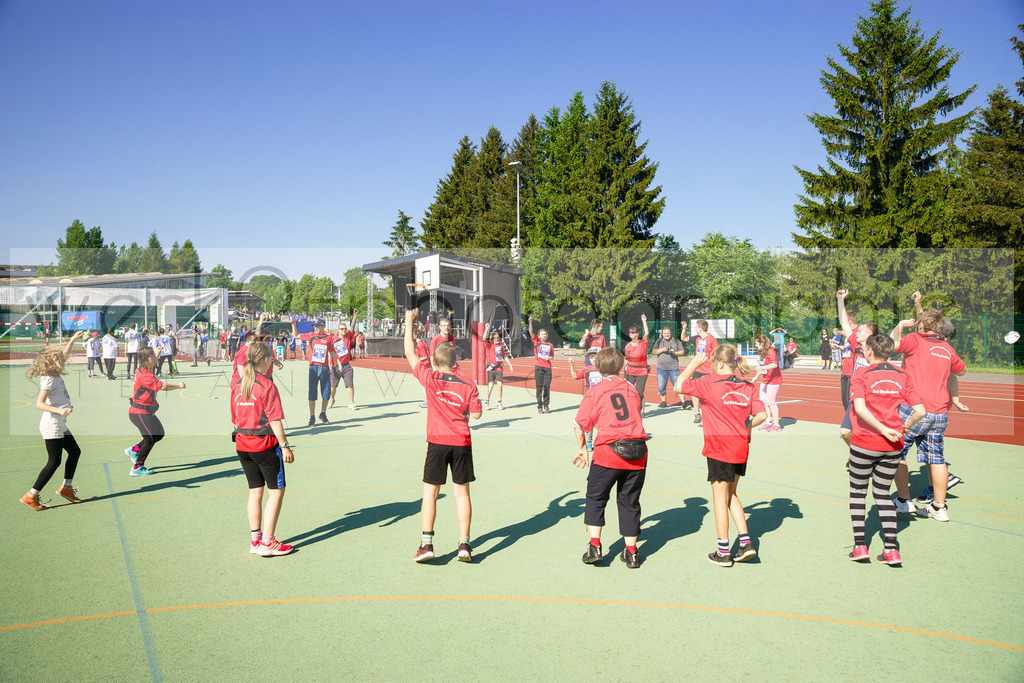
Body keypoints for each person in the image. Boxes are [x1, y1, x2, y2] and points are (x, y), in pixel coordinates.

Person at [676, 345, 767, 567]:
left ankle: (723, 550)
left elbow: (679, 386)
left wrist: (694, 364)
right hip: (740, 447)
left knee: (719, 498)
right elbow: (762, 415)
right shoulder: (747, 386)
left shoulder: (709, 382)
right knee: (731, 494)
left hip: (719, 448)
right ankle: (746, 543)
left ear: (720, 364)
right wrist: (745, 427)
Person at [403, 309, 482, 563]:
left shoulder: (431, 378)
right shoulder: (468, 384)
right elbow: (477, 415)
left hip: (437, 442)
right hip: (461, 441)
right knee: (462, 494)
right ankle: (464, 545)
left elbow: (410, 353)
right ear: (456, 362)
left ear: (435, 362)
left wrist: (408, 322)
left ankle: (426, 544)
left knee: (430, 493)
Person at [846, 334, 926, 565]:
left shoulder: (862, 374)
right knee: (882, 493)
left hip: (865, 441)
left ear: (869, 351)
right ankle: (891, 549)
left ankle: (860, 546)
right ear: (890, 352)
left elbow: (860, 409)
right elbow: (920, 411)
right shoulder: (903, 375)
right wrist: (901, 427)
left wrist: (881, 429)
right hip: (893, 444)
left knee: (857, 494)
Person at [572, 347, 648, 569]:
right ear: (622, 366)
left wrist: (582, 449)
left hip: (609, 451)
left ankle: (595, 546)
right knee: (630, 501)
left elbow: (579, 425)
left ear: (597, 367)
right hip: (637, 451)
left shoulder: (595, 391)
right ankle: (632, 552)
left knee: (596, 497)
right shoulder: (632, 389)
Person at [890, 306, 967, 521]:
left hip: (913, 408)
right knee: (937, 458)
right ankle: (939, 507)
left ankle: (904, 501)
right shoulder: (947, 348)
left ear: (921, 325)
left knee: (898, 453)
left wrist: (899, 326)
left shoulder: (914, 339)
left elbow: (890, 345)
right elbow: (961, 370)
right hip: (940, 412)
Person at [231, 341, 295, 557]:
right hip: (264, 445)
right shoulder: (267, 386)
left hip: (242, 445)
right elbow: (275, 419)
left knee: (254, 491)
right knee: (276, 492)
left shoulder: (238, 386)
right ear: (266, 360)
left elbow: (234, 418)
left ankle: (256, 540)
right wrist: (285, 445)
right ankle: (268, 541)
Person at [20, 331, 86, 510]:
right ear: (53, 362)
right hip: (52, 423)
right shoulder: (49, 379)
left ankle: (66, 488)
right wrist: (60, 409)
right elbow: (39, 404)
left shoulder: (54, 372)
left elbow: (65, 354)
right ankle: (31, 495)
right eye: (58, 358)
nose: (63, 359)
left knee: (75, 451)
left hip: (60, 424)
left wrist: (72, 340)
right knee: (54, 461)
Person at [125, 348, 185, 476]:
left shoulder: (144, 368)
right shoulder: (145, 375)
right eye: (151, 356)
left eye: (153, 355)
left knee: (159, 434)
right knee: (150, 439)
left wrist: (156, 354)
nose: (154, 358)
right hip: (139, 412)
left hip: (147, 411)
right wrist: (178, 385)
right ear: (144, 359)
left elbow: (151, 362)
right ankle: (137, 468)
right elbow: (162, 386)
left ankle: (134, 450)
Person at [291, 316, 340, 427]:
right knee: (312, 393)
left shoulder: (328, 338)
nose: (316, 328)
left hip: (325, 368)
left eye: (318, 326)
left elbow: (332, 352)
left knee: (326, 393)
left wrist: (339, 363)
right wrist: (293, 323)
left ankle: (323, 413)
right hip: (313, 368)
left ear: (323, 326)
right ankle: (312, 416)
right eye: (315, 326)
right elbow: (296, 335)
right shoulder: (311, 336)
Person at [837, 290, 878, 411]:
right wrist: (840, 300)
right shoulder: (856, 344)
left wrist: (900, 326)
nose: (857, 332)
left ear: (870, 333)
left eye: (860, 331)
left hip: (869, 385)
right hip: (855, 381)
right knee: (848, 407)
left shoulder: (877, 348)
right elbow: (844, 322)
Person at [752, 333, 783, 431]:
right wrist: (756, 376)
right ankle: (769, 422)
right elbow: (762, 368)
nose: (756, 345)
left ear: (762, 343)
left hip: (774, 381)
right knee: (763, 401)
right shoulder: (762, 353)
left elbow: (774, 364)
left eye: (757, 343)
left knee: (771, 402)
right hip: (765, 380)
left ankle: (777, 424)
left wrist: (762, 367)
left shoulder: (771, 351)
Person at [691, 320, 718, 426]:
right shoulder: (698, 340)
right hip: (698, 369)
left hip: (708, 371)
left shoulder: (712, 339)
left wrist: (714, 368)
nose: (695, 329)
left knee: (706, 395)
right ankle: (697, 413)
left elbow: (716, 354)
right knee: (694, 392)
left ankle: (708, 417)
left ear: (700, 328)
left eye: (696, 327)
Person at [622, 315, 651, 416]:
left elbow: (647, 334)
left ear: (637, 334)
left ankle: (641, 410)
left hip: (641, 371)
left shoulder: (643, 343)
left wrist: (644, 321)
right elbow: (626, 359)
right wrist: (625, 371)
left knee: (640, 392)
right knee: (628, 391)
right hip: (630, 371)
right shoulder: (627, 345)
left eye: (633, 332)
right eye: (630, 332)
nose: (630, 334)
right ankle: (631, 409)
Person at [652, 325, 686, 409]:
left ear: (670, 333)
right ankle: (664, 402)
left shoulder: (676, 341)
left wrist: (674, 352)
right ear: (662, 334)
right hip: (661, 368)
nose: (667, 335)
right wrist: (662, 350)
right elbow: (653, 352)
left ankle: (684, 402)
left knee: (678, 385)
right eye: (665, 333)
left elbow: (682, 352)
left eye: (668, 333)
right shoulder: (659, 341)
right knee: (661, 387)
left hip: (673, 368)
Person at [482, 322, 514, 410]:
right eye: (496, 338)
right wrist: (487, 329)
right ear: (492, 339)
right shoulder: (489, 345)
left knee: (500, 386)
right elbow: (484, 338)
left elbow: (504, 356)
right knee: (491, 385)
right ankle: (487, 402)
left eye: (498, 338)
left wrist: (510, 365)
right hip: (491, 367)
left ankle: (499, 402)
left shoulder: (501, 346)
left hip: (499, 367)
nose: (498, 339)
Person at [329, 315, 358, 410]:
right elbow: (330, 353)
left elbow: (352, 327)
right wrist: (330, 364)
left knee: (350, 385)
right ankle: (332, 399)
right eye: (341, 329)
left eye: (345, 328)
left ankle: (351, 403)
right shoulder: (333, 339)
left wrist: (354, 316)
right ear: (338, 330)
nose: (344, 330)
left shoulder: (348, 336)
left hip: (346, 366)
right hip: (336, 366)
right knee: (333, 387)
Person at [528, 316, 554, 413]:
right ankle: (539, 406)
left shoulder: (550, 345)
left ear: (546, 336)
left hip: (547, 368)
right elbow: (531, 332)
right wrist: (530, 322)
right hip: (539, 367)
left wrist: (549, 358)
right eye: (541, 334)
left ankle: (546, 405)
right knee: (539, 387)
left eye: (544, 334)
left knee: (547, 387)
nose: (543, 335)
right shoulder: (536, 342)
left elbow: (552, 356)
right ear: (538, 336)